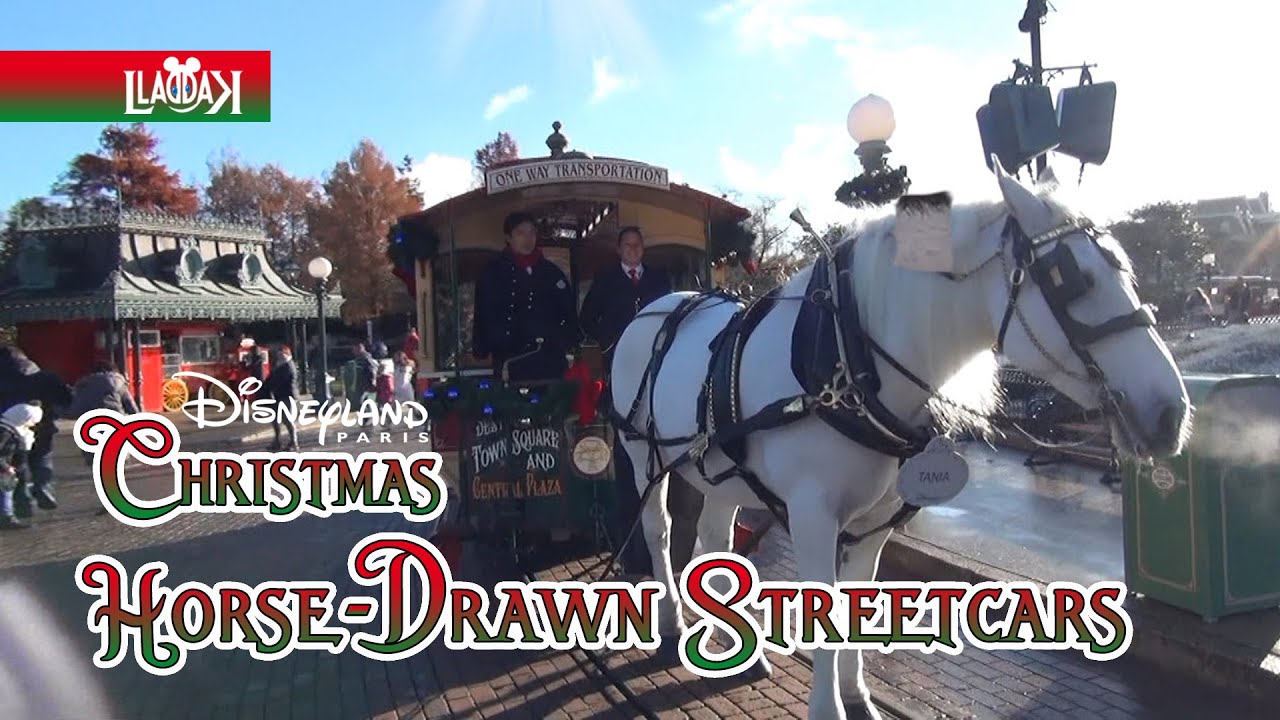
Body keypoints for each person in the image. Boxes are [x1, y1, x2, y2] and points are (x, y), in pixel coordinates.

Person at [472, 211, 580, 382]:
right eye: (521, 233)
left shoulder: (552, 273)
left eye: (531, 233)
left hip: (548, 360)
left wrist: (565, 342)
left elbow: (568, 313)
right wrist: (482, 350)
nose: (527, 239)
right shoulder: (493, 274)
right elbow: (482, 314)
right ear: (508, 238)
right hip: (509, 359)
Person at [580, 225, 674, 369]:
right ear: (619, 249)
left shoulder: (659, 278)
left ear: (643, 247)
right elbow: (587, 318)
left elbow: (670, 312)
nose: (633, 248)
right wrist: (607, 341)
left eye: (637, 244)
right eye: (628, 245)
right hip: (617, 355)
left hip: (652, 353)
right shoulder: (605, 279)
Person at [0, 345, 72, 512]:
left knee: (14, 464)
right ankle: (43, 487)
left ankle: (22, 500)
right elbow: (66, 398)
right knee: (42, 457)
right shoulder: (45, 376)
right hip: (42, 424)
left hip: (7, 429)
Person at [0, 403, 42, 530]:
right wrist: (5, 466)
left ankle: (8, 516)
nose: (33, 424)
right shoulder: (5, 432)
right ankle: (7, 518)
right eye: (32, 421)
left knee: (7, 491)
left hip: (8, 468)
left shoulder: (13, 429)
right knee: (6, 491)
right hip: (4, 468)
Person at [264, 345, 300, 451]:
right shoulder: (279, 365)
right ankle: (277, 441)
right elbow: (271, 378)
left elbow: (280, 380)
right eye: (278, 354)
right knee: (275, 419)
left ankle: (294, 442)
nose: (279, 356)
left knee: (287, 419)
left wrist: (271, 387)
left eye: (282, 354)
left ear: (287, 355)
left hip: (287, 396)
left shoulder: (288, 365)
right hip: (278, 396)